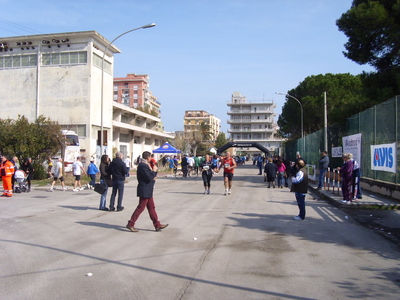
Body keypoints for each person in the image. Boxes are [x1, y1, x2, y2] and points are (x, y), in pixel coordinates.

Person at [126, 151, 168, 232]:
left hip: (148, 190)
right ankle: (130, 223)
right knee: (140, 207)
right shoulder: (143, 166)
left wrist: (153, 174)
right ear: (148, 157)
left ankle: (157, 225)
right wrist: (154, 171)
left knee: (151, 207)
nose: (151, 159)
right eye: (150, 157)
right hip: (144, 189)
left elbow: (149, 176)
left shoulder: (145, 165)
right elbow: (148, 177)